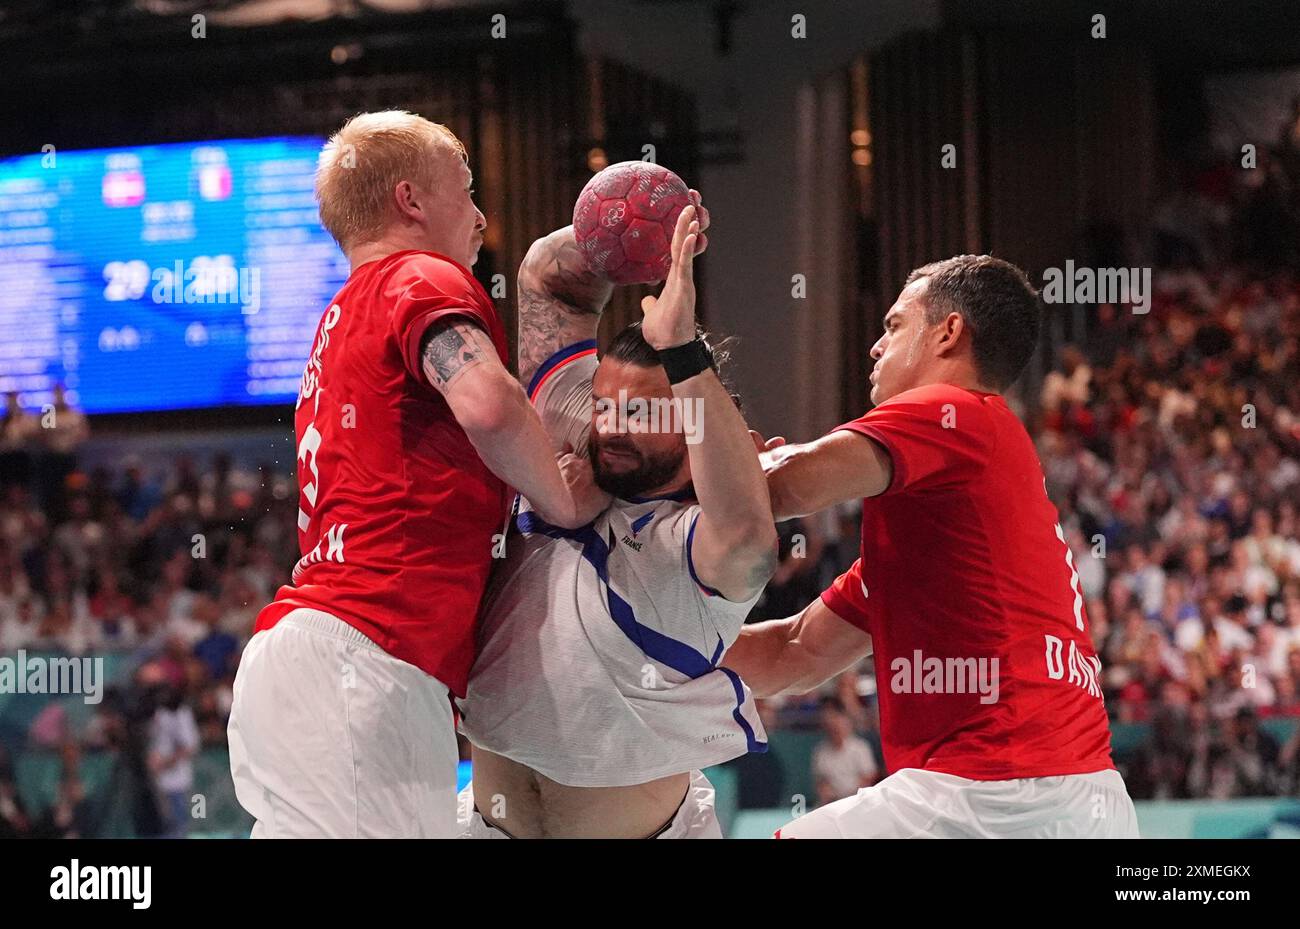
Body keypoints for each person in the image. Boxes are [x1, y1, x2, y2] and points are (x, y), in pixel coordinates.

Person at [227, 111, 607, 838]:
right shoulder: (421, 275)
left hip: (318, 659)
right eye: (465, 191)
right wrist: (562, 497)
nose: (480, 214)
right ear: (411, 200)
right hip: (364, 660)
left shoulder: (341, 316)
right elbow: (490, 404)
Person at [723, 255, 1140, 838]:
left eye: (893, 325)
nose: (874, 346)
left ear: (949, 333)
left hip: (1001, 791)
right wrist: (656, 650)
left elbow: (787, 482)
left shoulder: (957, 413)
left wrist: (652, 494)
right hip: (1069, 801)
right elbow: (794, 654)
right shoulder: (946, 531)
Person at [457, 200, 778, 838]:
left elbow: (748, 538)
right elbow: (549, 278)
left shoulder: (688, 547)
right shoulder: (570, 456)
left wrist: (684, 348)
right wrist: (643, 231)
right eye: (602, 405)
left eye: (641, 412)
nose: (611, 426)